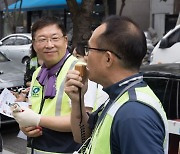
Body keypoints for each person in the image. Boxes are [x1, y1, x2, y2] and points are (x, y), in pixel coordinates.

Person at [65, 15, 168, 154]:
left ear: (108, 58)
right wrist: (77, 100)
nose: (86, 56)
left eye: (89, 49)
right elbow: (82, 137)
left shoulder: (133, 113)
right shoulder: (120, 96)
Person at [11, 16, 92, 154]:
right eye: (42, 40)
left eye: (55, 38)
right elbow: (32, 109)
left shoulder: (80, 70)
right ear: (34, 45)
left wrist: (37, 119)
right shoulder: (38, 73)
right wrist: (25, 126)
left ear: (65, 41)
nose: (49, 45)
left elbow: (85, 122)